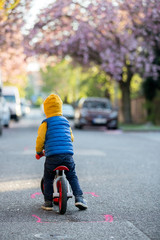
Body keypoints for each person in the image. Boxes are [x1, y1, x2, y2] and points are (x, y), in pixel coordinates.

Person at [35, 94, 87, 211]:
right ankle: (79, 198)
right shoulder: (66, 122)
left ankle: (48, 202)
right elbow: (71, 138)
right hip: (68, 155)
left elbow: (40, 139)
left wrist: (39, 151)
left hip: (52, 156)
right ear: (60, 108)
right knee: (72, 176)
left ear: (46, 109)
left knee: (48, 177)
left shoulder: (45, 123)